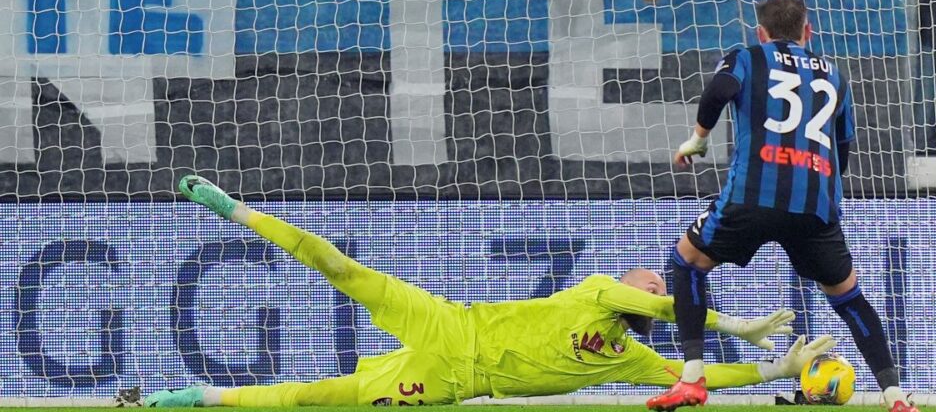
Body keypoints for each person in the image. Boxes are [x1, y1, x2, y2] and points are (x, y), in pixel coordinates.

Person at [142, 175, 836, 407]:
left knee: (316, 398)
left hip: (449, 383)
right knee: (343, 270)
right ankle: (233, 208)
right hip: (451, 325)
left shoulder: (626, 358)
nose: (653, 277)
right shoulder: (600, 291)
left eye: (657, 275)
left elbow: (698, 379)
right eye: (648, 273)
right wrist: (730, 319)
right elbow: (665, 305)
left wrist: (771, 368)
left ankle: (197, 397)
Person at [646, 0, 917, 412]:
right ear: (808, 32)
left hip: (751, 197)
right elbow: (841, 149)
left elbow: (719, 89)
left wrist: (698, 140)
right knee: (849, 298)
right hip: (815, 206)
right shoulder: (835, 77)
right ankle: (896, 398)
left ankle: (691, 380)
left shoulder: (747, 56)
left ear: (762, 32)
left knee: (687, 263)